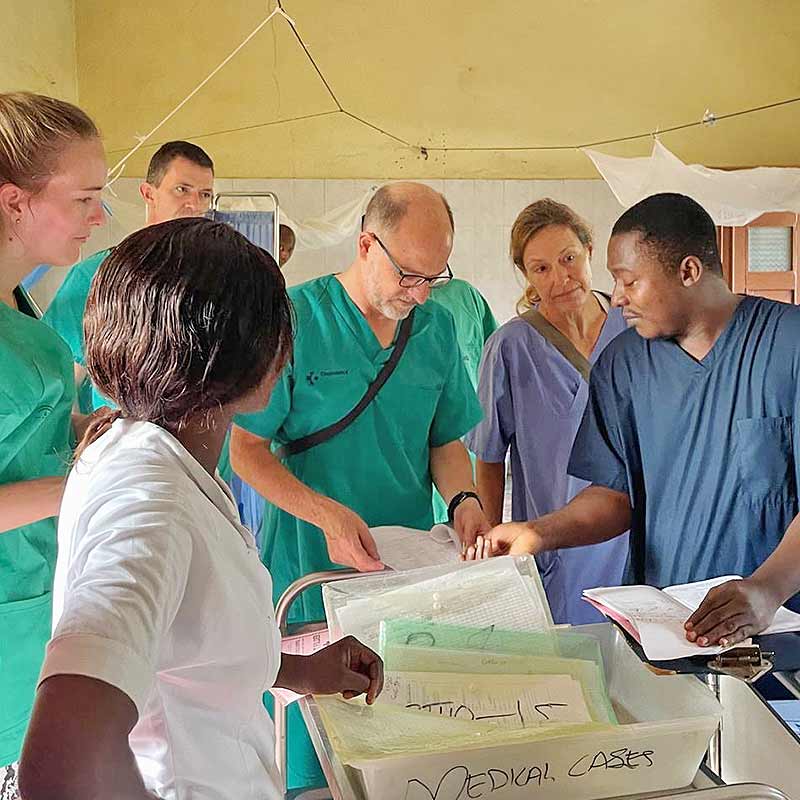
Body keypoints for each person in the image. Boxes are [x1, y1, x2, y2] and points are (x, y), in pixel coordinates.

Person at [18, 217, 384, 800]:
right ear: (244, 356)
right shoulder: (150, 506)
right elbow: (62, 764)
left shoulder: (144, 444)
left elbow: (183, 645)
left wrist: (297, 671)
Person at [230, 181, 491, 789]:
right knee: (311, 754)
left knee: (396, 742)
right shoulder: (294, 319)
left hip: (401, 574)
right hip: (308, 570)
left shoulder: (435, 330)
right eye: (408, 275)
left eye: (434, 278)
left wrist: (465, 499)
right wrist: (325, 514)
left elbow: (444, 440)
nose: (419, 293)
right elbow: (245, 451)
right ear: (367, 243)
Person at [484, 192, 800, 648]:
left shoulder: (787, 345)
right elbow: (615, 496)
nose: (616, 299)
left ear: (688, 272)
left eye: (629, 282)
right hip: (667, 633)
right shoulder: (625, 365)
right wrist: (537, 532)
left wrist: (767, 590)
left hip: (779, 633)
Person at [0, 91, 106, 799]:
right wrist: (85, 484)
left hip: (27, 605)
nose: (99, 219)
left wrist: (86, 433)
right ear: (14, 202)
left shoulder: (21, 303)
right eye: (85, 199)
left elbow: (21, 439)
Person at [466, 200, 628, 624]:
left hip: (631, 547)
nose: (560, 278)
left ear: (590, 250)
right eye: (541, 269)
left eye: (569, 259)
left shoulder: (636, 330)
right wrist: (492, 552)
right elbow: (488, 456)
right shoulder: (511, 347)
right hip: (553, 549)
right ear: (526, 276)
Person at [42, 140, 215, 410]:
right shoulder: (98, 276)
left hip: (204, 446)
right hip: (125, 440)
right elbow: (59, 382)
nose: (194, 204)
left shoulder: (215, 279)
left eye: (205, 194)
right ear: (148, 194)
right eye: (182, 190)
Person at [428, 276, 498, 522]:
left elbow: (494, 365)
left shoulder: (464, 296)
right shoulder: (388, 307)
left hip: (469, 466)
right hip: (414, 485)